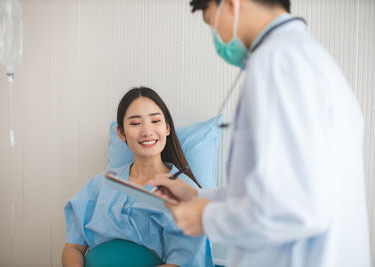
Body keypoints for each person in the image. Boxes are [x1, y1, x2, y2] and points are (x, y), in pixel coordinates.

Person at [151, 0, 371, 266]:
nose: (217, 38)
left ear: (232, 5)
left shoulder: (277, 63)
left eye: (211, 22)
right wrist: (198, 196)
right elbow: (279, 186)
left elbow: (296, 205)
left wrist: (205, 217)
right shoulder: (309, 58)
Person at [62, 87, 214, 267]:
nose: (147, 131)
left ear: (167, 128)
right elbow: (72, 247)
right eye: (135, 124)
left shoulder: (185, 192)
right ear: (121, 132)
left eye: (155, 121)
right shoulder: (99, 185)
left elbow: (183, 262)